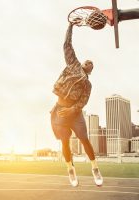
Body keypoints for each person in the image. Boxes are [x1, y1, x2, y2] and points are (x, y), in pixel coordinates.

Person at [50, 21, 103, 187]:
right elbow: (67, 44)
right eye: (87, 61)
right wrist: (71, 26)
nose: (89, 62)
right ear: (82, 64)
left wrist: (72, 110)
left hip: (74, 113)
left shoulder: (88, 84)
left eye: (91, 64)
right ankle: (70, 169)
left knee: (84, 139)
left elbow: (83, 101)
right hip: (60, 109)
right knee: (65, 142)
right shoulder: (73, 64)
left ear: (91, 70)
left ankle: (94, 167)